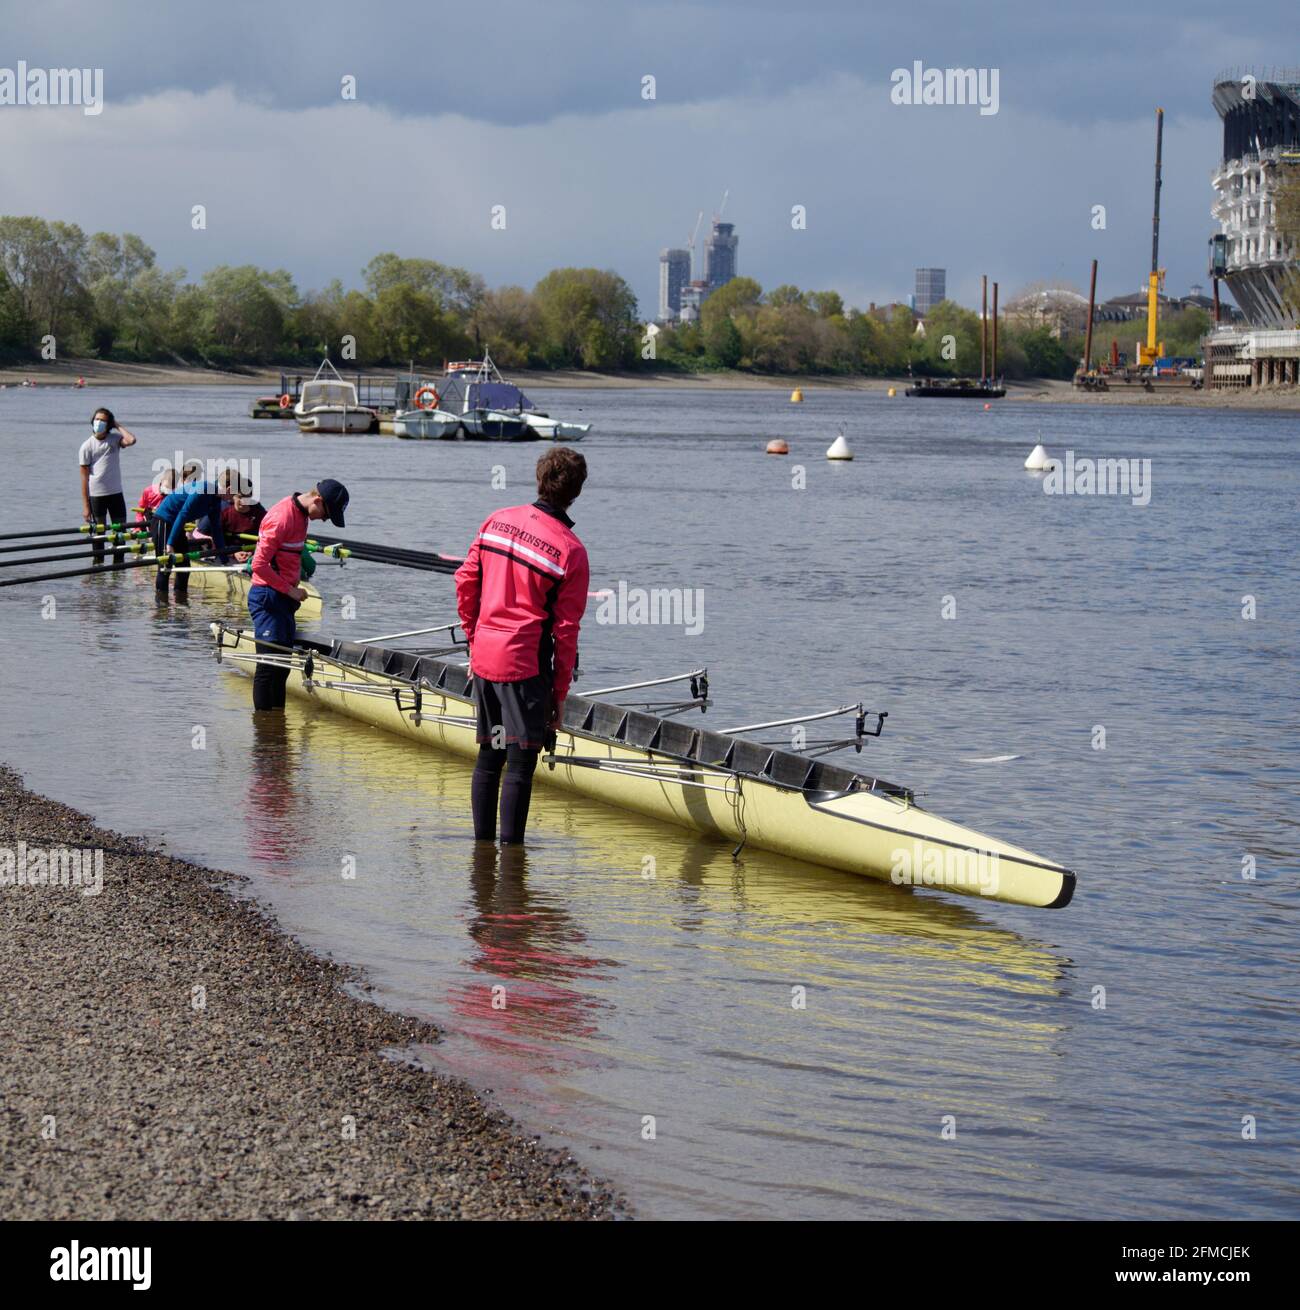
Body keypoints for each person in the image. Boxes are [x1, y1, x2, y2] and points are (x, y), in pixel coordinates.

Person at [455, 447, 589, 845]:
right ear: (577, 491)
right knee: (519, 762)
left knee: (490, 753)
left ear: (539, 479)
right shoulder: (571, 551)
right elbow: (566, 633)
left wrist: (474, 640)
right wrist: (559, 695)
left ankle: (482, 858)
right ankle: (512, 872)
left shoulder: (497, 521)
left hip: (485, 659)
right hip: (524, 668)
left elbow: (464, 583)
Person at [247, 480, 349, 711]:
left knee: (282, 666)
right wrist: (290, 589)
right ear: (317, 500)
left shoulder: (302, 516)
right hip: (267, 597)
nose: (324, 520)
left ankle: (277, 729)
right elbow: (259, 565)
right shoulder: (282, 517)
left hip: (283, 600)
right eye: (326, 514)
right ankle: (264, 735)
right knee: (267, 666)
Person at [150, 469, 250, 595]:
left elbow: (216, 529)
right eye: (234, 495)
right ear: (229, 489)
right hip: (163, 521)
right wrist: (170, 544)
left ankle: (180, 604)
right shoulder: (203, 489)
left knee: (184, 567)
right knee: (165, 567)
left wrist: (224, 558)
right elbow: (183, 514)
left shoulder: (216, 499)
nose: (232, 499)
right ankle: (161, 608)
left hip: (176, 525)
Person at [79, 408, 137, 561]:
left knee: (120, 534)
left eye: (103, 420)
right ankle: (98, 570)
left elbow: (131, 440)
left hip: (116, 494)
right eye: (97, 419)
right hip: (97, 496)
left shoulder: (115, 439)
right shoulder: (86, 446)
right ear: (92, 421)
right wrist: (86, 506)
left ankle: (118, 568)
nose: (99, 422)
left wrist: (117, 425)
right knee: (99, 536)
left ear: (108, 424)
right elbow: (84, 479)